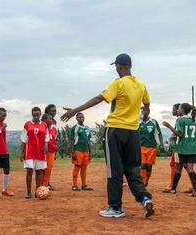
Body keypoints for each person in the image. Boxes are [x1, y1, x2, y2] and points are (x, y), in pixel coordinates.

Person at [61, 53, 154, 218]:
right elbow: (146, 104)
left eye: (116, 67)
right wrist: (142, 113)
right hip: (133, 132)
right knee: (133, 169)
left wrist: (75, 110)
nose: (116, 70)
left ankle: (115, 208)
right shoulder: (141, 84)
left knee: (114, 170)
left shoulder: (118, 83)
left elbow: (99, 98)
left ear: (120, 66)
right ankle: (145, 198)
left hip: (116, 130)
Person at [162, 103, 196, 196]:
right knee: (190, 168)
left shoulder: (180, 119)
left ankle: (173, 189)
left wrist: (169, 126)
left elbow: (180, 134)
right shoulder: (193, 119)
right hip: (193, 148)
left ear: (182, 110)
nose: (178, 110)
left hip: (182, 148)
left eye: (179, 108)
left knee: (178, 168)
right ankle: (195, 190)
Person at [21, 107, 49, 199]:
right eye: (34, 115)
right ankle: (28, 192)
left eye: (38, 115)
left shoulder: (44, 125)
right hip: (29, 151)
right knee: (29, 171)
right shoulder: (27, 124)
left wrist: (45, 144)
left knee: (39, 171)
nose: (36, 116)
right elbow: (24, 140)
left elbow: (46, 138)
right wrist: (22, 152)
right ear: (32, 114)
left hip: (40, 152)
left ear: (40, 114)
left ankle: (38, 191)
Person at [139, 106, 164, 186]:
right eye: (142, 111)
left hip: (152, 147)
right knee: (142, 165)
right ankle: (142, 182)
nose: (143, 112)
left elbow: (159, 133)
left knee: (149, 166)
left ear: (148, 112)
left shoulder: (153, 122)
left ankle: (146, 180)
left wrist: (162, 144)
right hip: (141, 147)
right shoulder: (138, 122)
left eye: (145, 111)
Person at [69, 113, 93, 191]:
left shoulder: (87, 128)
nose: (81, 118)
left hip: (86, 151)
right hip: (78, 150)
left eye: (82, 117)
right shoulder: (74, 128)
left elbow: (88, 141)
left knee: (84, 168)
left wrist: (90, 152)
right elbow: (72, 141)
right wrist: (72, 152)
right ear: (76, 119)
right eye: (79, 117)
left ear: (84, 118)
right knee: (77, 167)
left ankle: (84, 185)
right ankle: (74, 185)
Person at [41, 113, 57, 190]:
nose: (51, 120)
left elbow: (54, 140)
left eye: (52, 119)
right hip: (43, 152)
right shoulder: (42, 128)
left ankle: (45, 185)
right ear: (44, 120)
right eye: (50, 119)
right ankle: (42, 185)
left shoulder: (54, 128)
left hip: (51, 152)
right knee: (42, 169)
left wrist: (55, 152)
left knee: (49, 168)